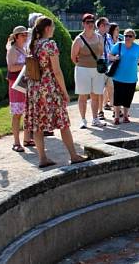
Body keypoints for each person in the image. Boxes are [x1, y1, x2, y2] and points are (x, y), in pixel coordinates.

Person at [24, 16, 87, 168]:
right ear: (47, 28)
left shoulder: (32, 44)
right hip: (49, 87)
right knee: (62, 121)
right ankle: (73, 155)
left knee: (38, 124)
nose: (53, 29)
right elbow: (57, 71)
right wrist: (65, 92)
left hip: (34, 88)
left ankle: (42, 158)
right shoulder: (50, 44)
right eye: (52, 27)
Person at [70, 13, 105, 129]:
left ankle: (95, 119)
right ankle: (83, 119)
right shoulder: (78, 40)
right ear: (83, 24)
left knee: (95, 95)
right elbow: (73, 57)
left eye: (91, 22)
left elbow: (101, 52)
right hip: (82, 69)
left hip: (97, 69)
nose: (90, 24)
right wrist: (82, 66)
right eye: (87, 22)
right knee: (83, 96)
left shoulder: (99, 37)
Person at [107, 29, 139, 125]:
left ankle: (125, 116)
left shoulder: (137, 47)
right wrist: (114, 58)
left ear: (134, 37)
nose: (127, 38)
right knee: (117, 98)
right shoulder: (119, 45)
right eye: (125, 36)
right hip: (118, 77)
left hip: (131, 78)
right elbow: (109, 55)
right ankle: (116, 117)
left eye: (130, 36)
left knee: (128, 98)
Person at [6, 26, 34, 151]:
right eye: (22, 35)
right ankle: (16, 142)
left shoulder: (24, 49)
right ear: (16, 37)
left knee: (27, 111)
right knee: (17, 114)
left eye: (26, 34)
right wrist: (26, 63)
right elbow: (11, 68)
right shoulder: (12, 50)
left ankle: (27, 138)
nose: (25, 36)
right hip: (16, 84)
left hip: (25, 82)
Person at [96, 17, 113, 120]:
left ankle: (115, 109)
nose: (109, 26)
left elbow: (111, 49)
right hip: (99, 66)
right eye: (107, 24)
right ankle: (100, 111)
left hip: (110, 66)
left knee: (111, 88)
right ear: (101, 25)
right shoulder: (94, 36)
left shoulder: (109, 36)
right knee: (99, 90)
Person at [107, 22, 122, 118]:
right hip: (110, 67)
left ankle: (117, 110)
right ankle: (115, 110)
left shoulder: (120, 40)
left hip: (120, 67)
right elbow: (107, 53)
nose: (118, 31)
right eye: (116, 29)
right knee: (112, 89)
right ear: (112, 30)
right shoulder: (108, 40)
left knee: (118, 89)